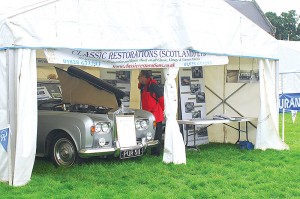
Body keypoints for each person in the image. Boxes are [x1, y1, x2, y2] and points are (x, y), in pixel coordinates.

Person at [138, 70, 164, 156]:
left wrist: (163, 110)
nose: (139, 78)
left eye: (140, 77)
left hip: (156, 115)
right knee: (146, 133)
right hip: (147, 115)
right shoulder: (143, 87)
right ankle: (146, 149)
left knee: (157, 135)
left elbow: (161, 99)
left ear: (145, 77)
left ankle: (156, 153)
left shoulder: (154, 86)